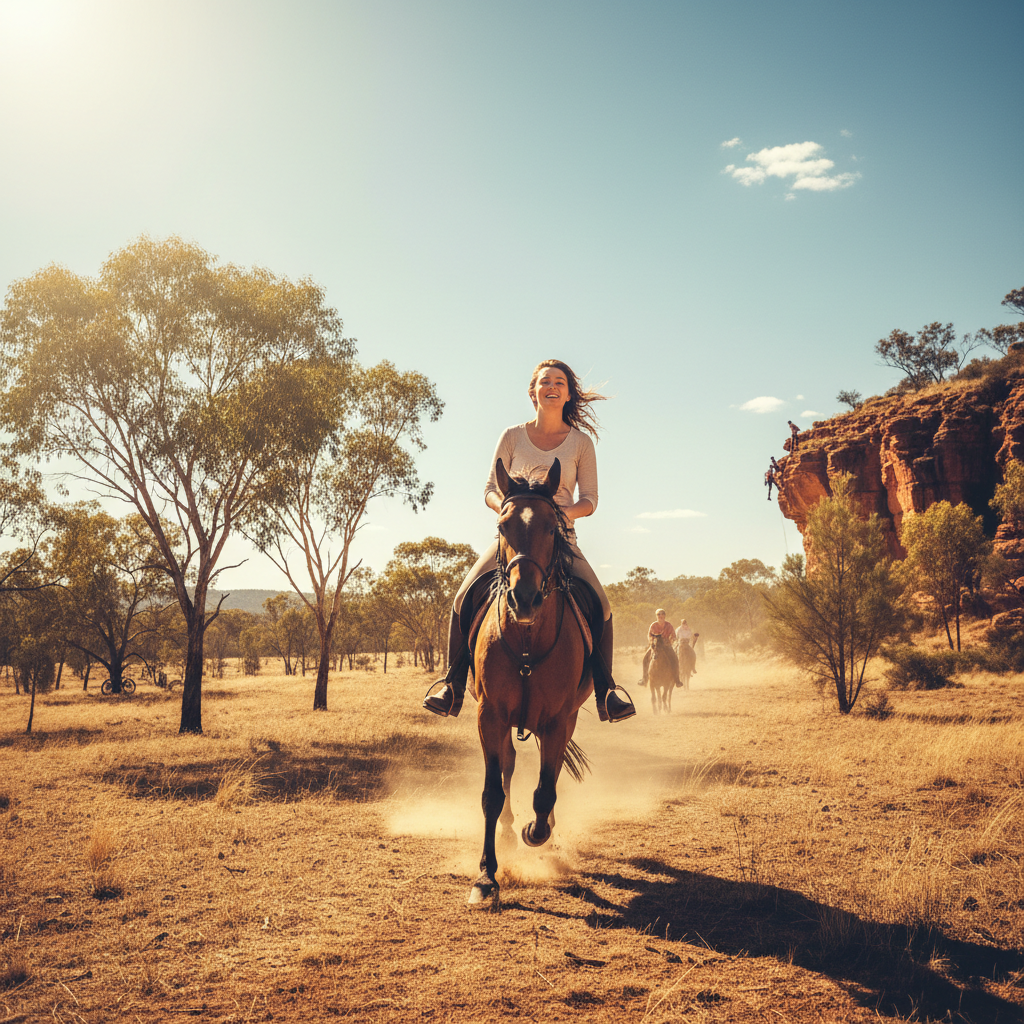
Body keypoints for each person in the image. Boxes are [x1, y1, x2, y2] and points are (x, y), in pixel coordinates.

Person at [422, 359, 635, 723]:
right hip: (513, 537)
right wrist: (507, 510)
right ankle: (452, 684)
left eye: (560, 382)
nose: (552, 387)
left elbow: (591, 499)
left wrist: (560, 515)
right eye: (545, 382)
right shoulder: (511, 436)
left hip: (559, 538)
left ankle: (606, 692)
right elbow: (490, 488)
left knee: (602, 604)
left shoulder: (581, 443)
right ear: (532, 392)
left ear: (568, 393)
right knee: (462, 597)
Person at [640, 608, 681, 687]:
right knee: (645, 658)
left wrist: (670, 641)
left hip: (666, 645)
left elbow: (673, 636)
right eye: (659, 615)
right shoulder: (653, 625)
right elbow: (649, 635)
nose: (660, 616)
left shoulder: (668, 625)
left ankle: (677, 679)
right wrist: (652, 642)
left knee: (675, 658)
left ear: (665, 616)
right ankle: (644, 679)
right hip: (655, 645)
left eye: (662, 614)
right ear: (656, 616)